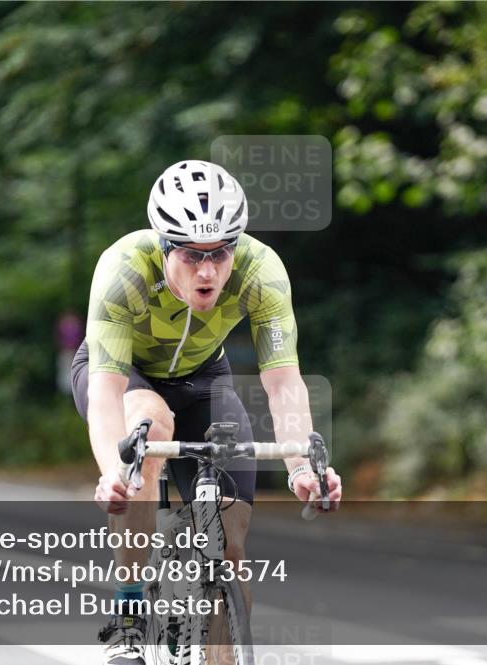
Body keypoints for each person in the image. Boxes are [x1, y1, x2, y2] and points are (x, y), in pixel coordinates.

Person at [71, 160, 343, 665]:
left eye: (220, 252)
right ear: (164, 245)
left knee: (231, 549)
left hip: (204, 379)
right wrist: (115, 471)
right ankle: (129, 614)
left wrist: (302, 467)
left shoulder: (262, 272)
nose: (208, 269)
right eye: (193, 255)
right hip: (127, 376)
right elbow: (107, 394)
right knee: (150, 425)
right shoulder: (125, 270)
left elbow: (283, 381)